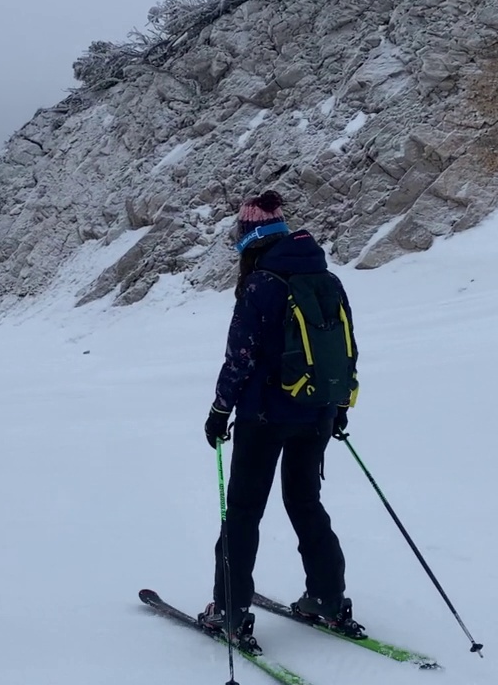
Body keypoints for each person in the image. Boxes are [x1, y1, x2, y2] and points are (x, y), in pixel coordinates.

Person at [198, 189, 362, 651]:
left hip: (264, 416)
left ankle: (229, 610)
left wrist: (218, 410)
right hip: (317, 412)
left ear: (249, 238)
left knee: (244, 512)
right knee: (306, 503)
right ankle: (328, 599)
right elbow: (344, 350)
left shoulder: (261, 283)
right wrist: (340, 408)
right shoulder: (324, 277)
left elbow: (241, 357)